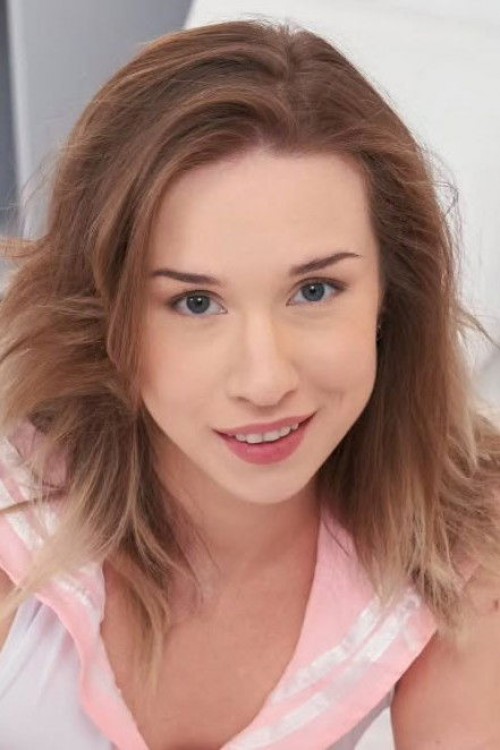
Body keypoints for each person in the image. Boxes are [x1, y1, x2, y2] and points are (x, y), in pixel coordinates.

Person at [0, 17, 499, 750]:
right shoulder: (17, 514)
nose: (265, 380)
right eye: (195, 303)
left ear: (392, 296)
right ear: (108, 313)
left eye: (316, 291)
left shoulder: (460, 533)